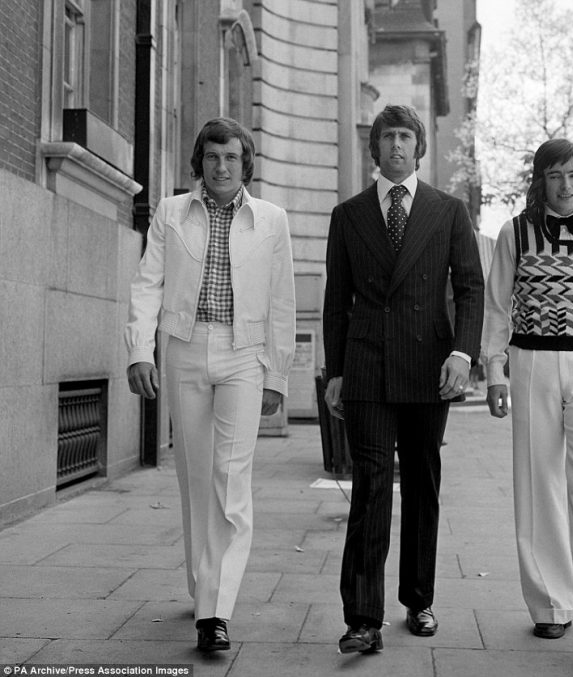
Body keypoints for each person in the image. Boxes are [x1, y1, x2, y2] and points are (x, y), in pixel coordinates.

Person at [125, 117, 295, 652]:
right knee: (196, 476)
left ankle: (215, 612)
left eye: (233, 158)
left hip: (245, 354)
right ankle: (203, 583)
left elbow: (282, 302)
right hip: (184, 347)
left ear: (247, 164)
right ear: (199, 162)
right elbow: (147, 282)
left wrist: (279, 373)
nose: (222, 167)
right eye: (213, 157)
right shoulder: (172, 212)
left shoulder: (271, 220)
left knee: (229, 478)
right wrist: (138, 350)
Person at [323, 104, 484, 653]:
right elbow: (335, 301)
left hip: (428, 366)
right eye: (387, 136)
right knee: (370, 486)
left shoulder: (448, 211)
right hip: (366, 367)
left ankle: (419, 599)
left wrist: (464, 355)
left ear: (418, 147)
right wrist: (336, 370)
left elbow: (470, 288)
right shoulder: (348, 215)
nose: (396, 145)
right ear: (375, 148)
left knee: (422, 481)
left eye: (405, 136)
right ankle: (363, 618)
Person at [482, 139, 573, 660]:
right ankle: (550, 605)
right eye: (555, 176)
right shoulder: (514, 233)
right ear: (539, 181)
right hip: (532, 364)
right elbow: (497, 307)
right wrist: (495, 372)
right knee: (537, 485)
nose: (567, 186)